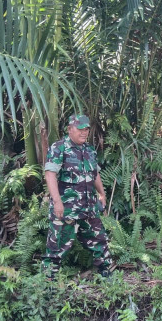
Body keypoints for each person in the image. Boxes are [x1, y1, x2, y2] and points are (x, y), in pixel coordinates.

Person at [42, 114, 111, 279]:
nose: (84, 132)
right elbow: (50, 175)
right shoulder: (59, 148)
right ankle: (47, 283)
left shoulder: (89, 150)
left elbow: (95, 174)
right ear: (69, 129)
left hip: (89, 207)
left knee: (100, 241)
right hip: (67, 209)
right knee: (57, 246)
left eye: (86, 129)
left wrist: (101, 193)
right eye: (80, 129)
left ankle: (106, 274)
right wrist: (57, 202)